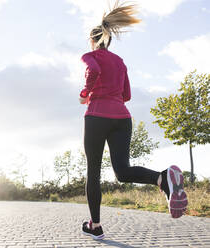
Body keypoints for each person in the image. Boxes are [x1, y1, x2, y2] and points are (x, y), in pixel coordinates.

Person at [79, 1, 187, 240]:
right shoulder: (120, 62)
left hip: (97, 115)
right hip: (122, 118)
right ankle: (162, 178)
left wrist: (85, 93)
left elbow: (93, 71)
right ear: (109, 39)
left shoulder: (89, 55)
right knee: (123, 171)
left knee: (93, 172)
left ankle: (95, 225)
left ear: (92, 40)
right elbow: (127, 95)